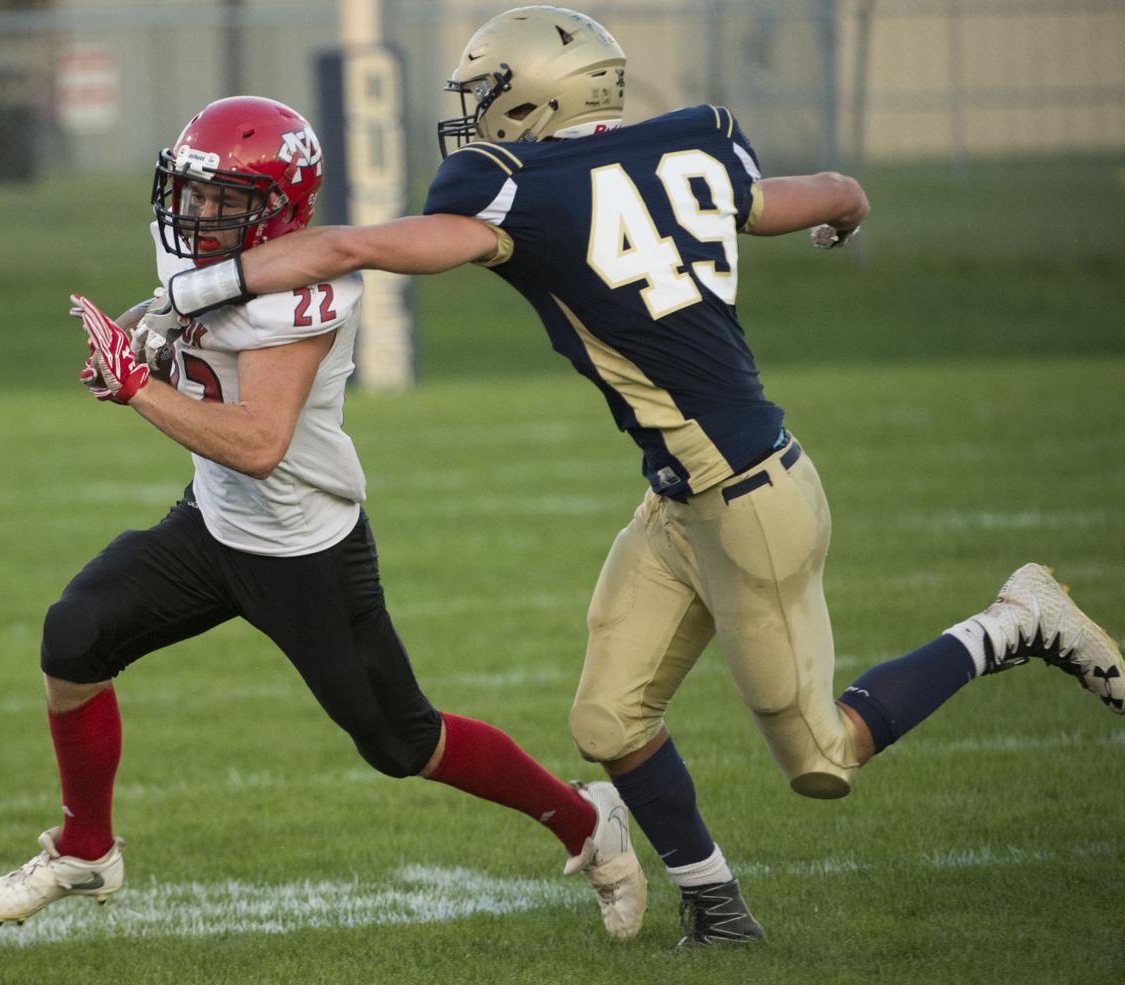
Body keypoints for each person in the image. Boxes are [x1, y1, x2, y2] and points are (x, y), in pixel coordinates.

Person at [165, 8, 1123, 949]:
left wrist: (187, 296)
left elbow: (346, 246)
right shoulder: (694, 148)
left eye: (488, 92)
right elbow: (824, 189)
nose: (472, 112)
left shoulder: (515, 187)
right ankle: (717, 910)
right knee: (608, 718)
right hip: (683, 496)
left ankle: (1017, 620)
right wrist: (850, 208)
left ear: (539, 95)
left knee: (822, 760)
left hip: (750, 498)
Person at [0, 95, 649, 939]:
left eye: (226, 201)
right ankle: (85, 848)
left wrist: (136, 387)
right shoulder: (201, 247)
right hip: (212, 524)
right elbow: (182, 309)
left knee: (405, 744)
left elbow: (258, 443)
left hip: (301, 547)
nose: (199, 214)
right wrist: (140, 330)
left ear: (284, 209)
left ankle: (587, 821)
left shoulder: (303, 292)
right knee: (74, 634)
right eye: (193, 191)